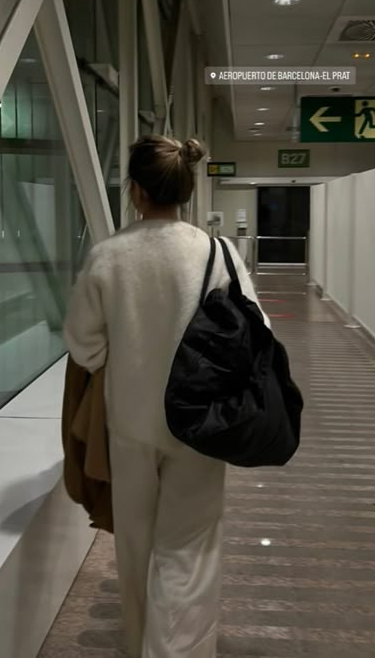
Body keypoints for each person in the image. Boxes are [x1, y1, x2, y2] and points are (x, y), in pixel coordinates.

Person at [63, 134, 268, 658]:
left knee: (135, 548)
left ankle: (137, 644)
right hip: (200, 425)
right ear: (187, 190)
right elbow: (258, 328)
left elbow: (84, 346)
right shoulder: (216, 252)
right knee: (190, 549)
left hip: (129, 427)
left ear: (135, 191)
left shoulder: (108, 257)